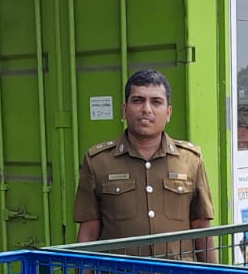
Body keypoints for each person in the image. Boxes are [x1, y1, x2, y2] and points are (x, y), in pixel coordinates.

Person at [73, 70, 213, 255]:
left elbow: (201, 228)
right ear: (124, 110)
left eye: (156, 102)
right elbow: (88, 231)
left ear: (168, 112)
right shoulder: (98, 162)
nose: (146, 109)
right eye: (138, 100)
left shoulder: (190, 160)